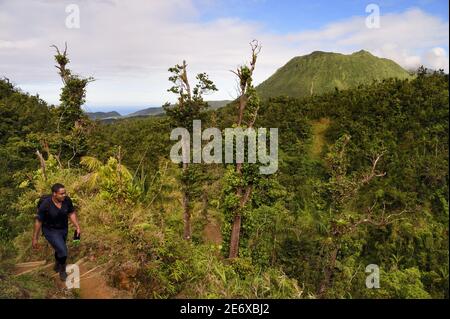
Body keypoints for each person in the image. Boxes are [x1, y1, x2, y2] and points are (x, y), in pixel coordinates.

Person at [32, 183, 81, 281]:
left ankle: (57, 264)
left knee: (60, 247)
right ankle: (62, 271)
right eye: (61, 194)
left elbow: (71, 213)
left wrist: (77, 226)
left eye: (65, 193)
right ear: (54, 194)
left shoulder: (67, 200)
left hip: (63, 228)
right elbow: (38, 221)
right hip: (50, 230)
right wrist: (35, 238)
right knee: (63, 250)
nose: (64, 195)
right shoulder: (45, 204)